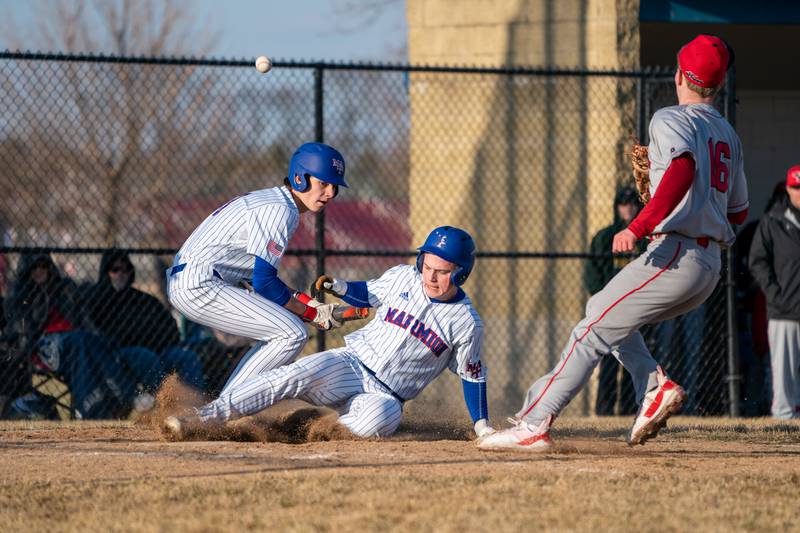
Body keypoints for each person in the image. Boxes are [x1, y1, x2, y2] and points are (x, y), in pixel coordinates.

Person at [478, 34, 748, 451]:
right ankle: (653, 385)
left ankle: (534, 423)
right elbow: (738, 213)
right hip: (708, 265)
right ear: (719, 84)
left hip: (672, 251)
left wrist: (639, 225)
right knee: (603, 314)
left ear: (679, 74)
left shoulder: (669, 119)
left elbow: (681, 169)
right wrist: (694, 211)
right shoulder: (727, 133)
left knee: (589, 331)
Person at [162, 226, 492, 440]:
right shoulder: (405, 277)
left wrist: (482, 426)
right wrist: (339, 287)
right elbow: (369, 293)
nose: (430, 276)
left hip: (386, 396)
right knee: (286, 377)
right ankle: (202, 419)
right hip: (349, 364)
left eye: (443, 271)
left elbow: (472, 375)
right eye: (427, 266)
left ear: (461, 274)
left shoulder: (466, 323)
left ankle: (303, 429)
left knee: (374, 422)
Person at [167, 142, 348, 398]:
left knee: (283, 330)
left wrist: (308, 305)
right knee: (292, 333)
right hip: (200, 284)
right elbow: (264, 283)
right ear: (300, 178)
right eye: (324, 183)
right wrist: (309, 312)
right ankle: (227, 409)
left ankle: (226, 407)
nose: (330, 192)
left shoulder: (275, 201)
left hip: (195, 280)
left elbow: (259, 279)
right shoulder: (280, 209)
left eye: (335, 186)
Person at [85, 249, 204, 391]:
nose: (122, 274)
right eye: (115, 270)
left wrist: (151, 340)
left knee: (186, 357)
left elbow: (170, 329)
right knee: (144, 356)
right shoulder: (96, 299)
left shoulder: (144, 300)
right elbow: (99, 335)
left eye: (126, 269)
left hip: (156, 351)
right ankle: (166, 403)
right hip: (119, 356)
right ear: (106, 272)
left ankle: (197, 403)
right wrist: (138, 338)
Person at [585, 187, 644, 416]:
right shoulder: (605, 237)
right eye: (623, 203)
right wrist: (603, 299)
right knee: (609, 361)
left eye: (632, 203)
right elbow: (592, 274)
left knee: (633, 362)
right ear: (616, 206)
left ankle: (630, 410)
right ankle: (605, 411)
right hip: (611, 309)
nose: (628, 207)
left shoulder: (643, 239)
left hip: (637, 309)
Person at [749, 168, 800, 419]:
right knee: (783, 372)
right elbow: (757, 261)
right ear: (788, 189)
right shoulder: (774, 221)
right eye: (796, 188)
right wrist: (774, 294)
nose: (799, 193)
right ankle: (785, 418)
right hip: (784, 310)